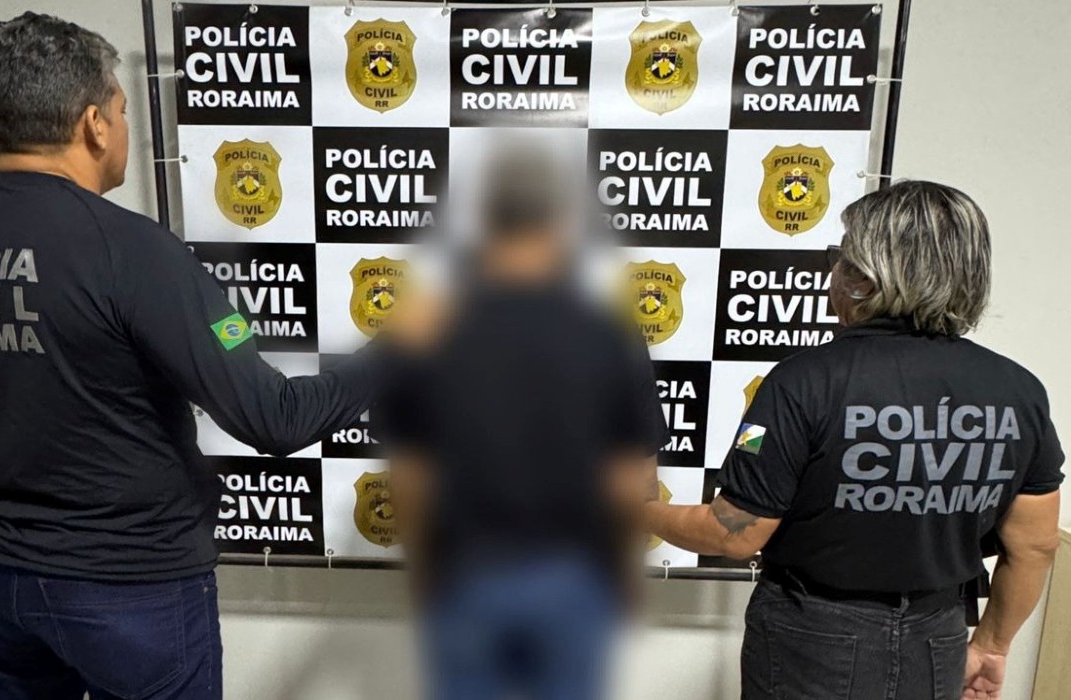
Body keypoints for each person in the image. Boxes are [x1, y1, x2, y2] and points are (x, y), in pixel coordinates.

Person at [0, 13, 407, 699]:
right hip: (135, 590)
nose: (122, 126)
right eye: (120, 109)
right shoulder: (134, 253)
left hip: (4, 584)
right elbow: (277, 417)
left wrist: (2, 530)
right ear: (93, 124)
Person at [645, 180, 1063, 700]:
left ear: (865, 277)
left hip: (815, 635)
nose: (832, 273)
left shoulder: (804, 381)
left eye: (839, 258)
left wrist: (637, 510)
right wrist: (992, 646)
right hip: (940, 635)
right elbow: (1035, 543)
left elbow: (735, 532)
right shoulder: (1018, 390)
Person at [375, 145, 668, 700]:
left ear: (487, 221)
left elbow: (410, 474)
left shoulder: (427, 327)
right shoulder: (608, 333)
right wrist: (625, 573)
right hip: (573, 577)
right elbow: (631, 478)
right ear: (560, 223)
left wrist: (424, 574)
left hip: (466, 572)